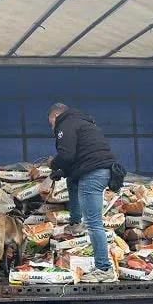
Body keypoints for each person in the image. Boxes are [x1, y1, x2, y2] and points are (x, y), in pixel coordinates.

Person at [48, 103, 118, 283]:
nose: (52, 128)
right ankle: (75, 222)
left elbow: (67, 154)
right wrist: (62, 171)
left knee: (94, 223)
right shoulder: (83, 122)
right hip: (101, 170)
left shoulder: (65, 124)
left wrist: (53, 164)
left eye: (51, 123)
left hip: (92, 174)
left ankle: (104, 269)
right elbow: (80, 155)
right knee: (71, 181)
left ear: (55, 117)